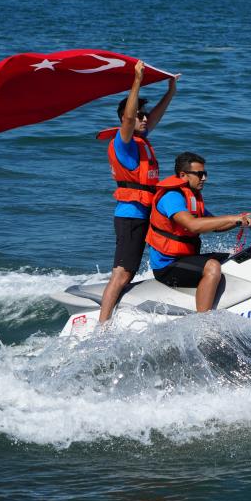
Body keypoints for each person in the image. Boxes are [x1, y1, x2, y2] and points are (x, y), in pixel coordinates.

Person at [97, 60, 177, 323]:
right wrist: (137, 80)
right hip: (130, 216)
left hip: (144, 214)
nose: (144, 118)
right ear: (125, 120)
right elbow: (131, 118)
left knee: (130, 271)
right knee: (121, 273)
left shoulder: (141, 141)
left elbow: (154, 116)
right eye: (139, 115)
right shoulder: (124, 142)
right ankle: (102, 325)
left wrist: (171, 91)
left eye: (145, 115)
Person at [146, 152, 251, 312]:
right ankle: (203, 320)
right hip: (167, 266)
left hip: (185, 258)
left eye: (205, 173)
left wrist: (242, 218)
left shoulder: (192, 197)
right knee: (212, 267)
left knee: (236, 258)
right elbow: (193, 226)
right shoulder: (172, 197)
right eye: (199, 174)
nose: (204, 178)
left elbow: (216, 226)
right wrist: (232, 218)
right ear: (183, 175)